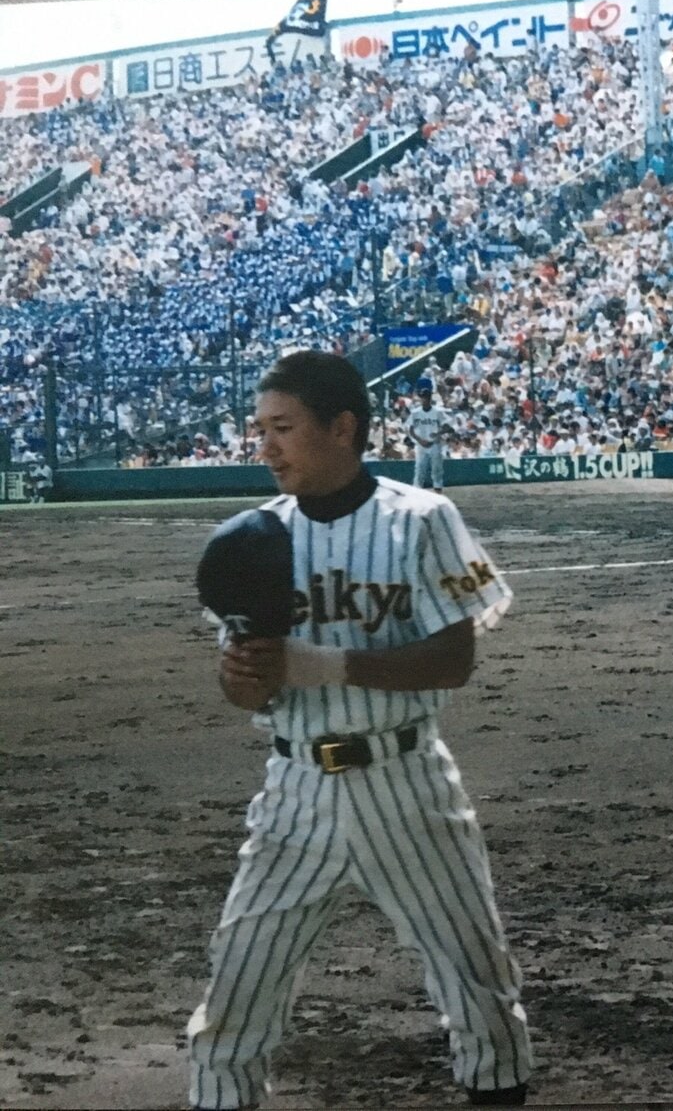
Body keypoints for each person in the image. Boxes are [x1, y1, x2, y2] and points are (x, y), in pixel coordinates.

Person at [186, 351, 532, 1110]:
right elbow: (238, 673)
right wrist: (242, 677)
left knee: (479, 986)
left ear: (342, 428)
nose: (266, 447)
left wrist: (327, 664)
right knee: (235, 989)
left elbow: (454, 657)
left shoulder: (423, 519)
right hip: (294, 791)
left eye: (282, 428)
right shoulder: (252, 536)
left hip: (406, 783)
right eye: (260, 429)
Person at [410, 378, 449, 493]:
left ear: (430, 398)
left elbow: (448, 427)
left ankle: (437, 493)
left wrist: (438, 433)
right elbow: (411, 429)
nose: (425, 399)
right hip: (421, 445)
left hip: (435, 444)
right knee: (420, 470)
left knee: (437, 470)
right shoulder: (415, 412)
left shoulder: (438, 412)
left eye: (426, 397)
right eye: (423, 397)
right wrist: (420, 440)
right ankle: (416, 494)